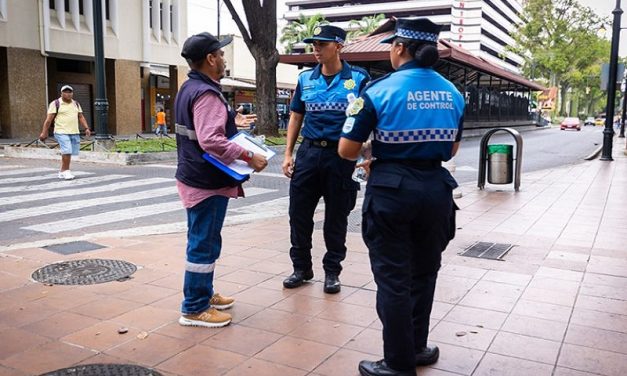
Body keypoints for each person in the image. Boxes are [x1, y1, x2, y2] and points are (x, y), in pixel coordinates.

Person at [338, 18, 464, 376]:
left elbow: (347, 151)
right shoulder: (453, 93)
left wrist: (372, 150)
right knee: (425, 273)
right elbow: (452, 149)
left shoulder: (378, 91)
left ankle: (397, 363)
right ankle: (418, 347)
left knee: (393, 279)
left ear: (398, 48)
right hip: (436, 191)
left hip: (392, 191)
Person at [175, 32, 267, 328]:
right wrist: (249, 156)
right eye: (222, 54)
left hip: (194, 176)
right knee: (203, 243)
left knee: (204, 240)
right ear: (211, 59)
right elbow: (210, 140)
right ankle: (194, 307)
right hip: (205, 182)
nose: (224, 59)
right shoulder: (206, 94)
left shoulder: (189, 87)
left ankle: (203, 293)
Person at [282, 25, 370, 294]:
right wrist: (288, 154)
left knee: (336, 217)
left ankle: (332, 271)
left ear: (339, 46)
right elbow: (296, 116)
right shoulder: (305, 79)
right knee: (299, 215)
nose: (316, 49)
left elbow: (367, 118)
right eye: (314, 44)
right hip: (309, 153)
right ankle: (301, 268)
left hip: (341, 156)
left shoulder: (358, 78)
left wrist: (366, 153)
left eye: (322, 44)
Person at [39, 85, 92, 180]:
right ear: (61, 93)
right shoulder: (55, 103)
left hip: (74, 132)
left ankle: (62, 171)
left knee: (69, 152)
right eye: (65, 92)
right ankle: (66, 171)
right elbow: (48, 120)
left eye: (70, 92)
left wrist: (86, 128)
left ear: (72, 93)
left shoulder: (76, 103)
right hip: (61, 131)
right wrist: (44, 132)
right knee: (67, 150)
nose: (68, 94)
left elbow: (80, 116)